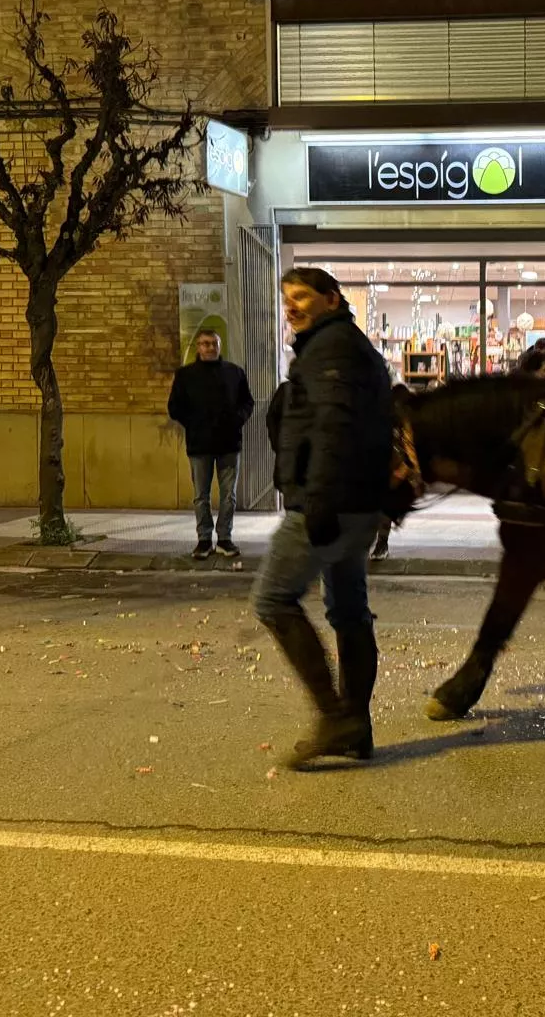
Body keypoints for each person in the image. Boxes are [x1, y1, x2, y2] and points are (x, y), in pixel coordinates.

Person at [255, 267, 395, 766]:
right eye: (287, 297)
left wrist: (317, 499)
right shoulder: (336, 344)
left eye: (302, 296)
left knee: (272, 598)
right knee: (349, 610)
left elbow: (334, 427)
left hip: (331, 501)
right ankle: (356, 725)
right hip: (356, 501)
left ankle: (337, 719)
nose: (291, 305)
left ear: (331, 299)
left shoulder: (333, 348)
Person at [167, 329, 255, 560]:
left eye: (213, 343)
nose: (209, 348)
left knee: (229, 496)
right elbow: (174, 407)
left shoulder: (234, 373)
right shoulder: (186, 375)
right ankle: (204, 540)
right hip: (199, 444)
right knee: (201, 495)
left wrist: (237, 419)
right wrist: (194, 423)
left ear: (219, 345)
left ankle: (225, 538)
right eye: (204, 344)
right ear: (197, 347)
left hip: (229, 443)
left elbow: (248, 402)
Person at [372, 384, 413, 562]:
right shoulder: (394, 419)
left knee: (384, 506)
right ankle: (380, 543)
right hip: (388, 469)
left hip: (390, 470)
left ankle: (381, 543)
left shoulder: (393, 418)